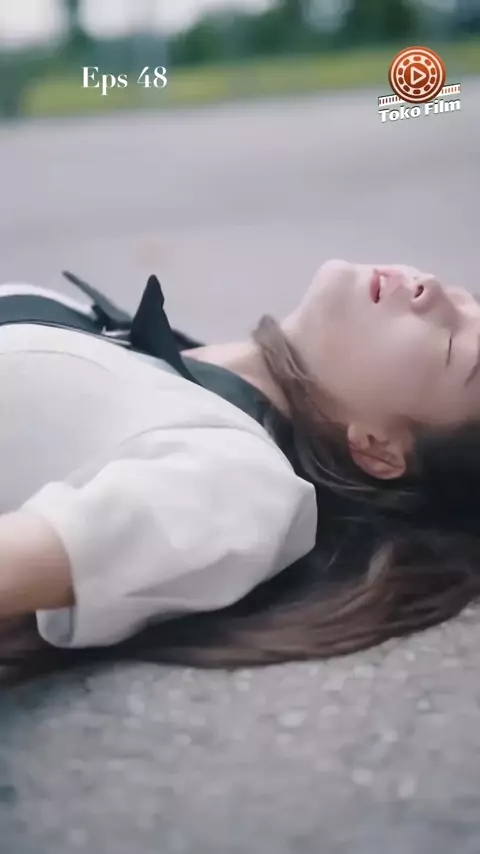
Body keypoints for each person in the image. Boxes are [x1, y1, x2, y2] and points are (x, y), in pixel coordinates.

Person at [1, 258, 480, 684]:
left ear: (379, 449)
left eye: (452, 344)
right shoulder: (158, 352)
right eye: (470, 301)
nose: (434, 291)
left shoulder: (238, 487)